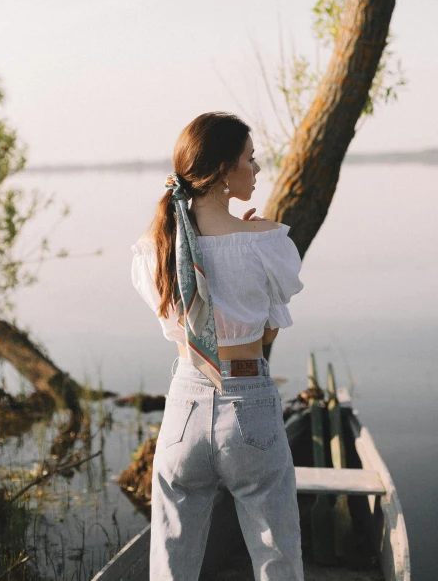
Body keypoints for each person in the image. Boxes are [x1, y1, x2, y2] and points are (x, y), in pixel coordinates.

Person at [131, 111, 305, 581]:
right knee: (277, 555)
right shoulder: (267, 243)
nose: (258, 168)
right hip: (249, 402)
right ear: (226, 170)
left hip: (184, 403)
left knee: (172, 559)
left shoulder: (155, 250)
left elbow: (178, 331)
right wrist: (254, 237)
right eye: (251, 159)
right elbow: (265, 335)